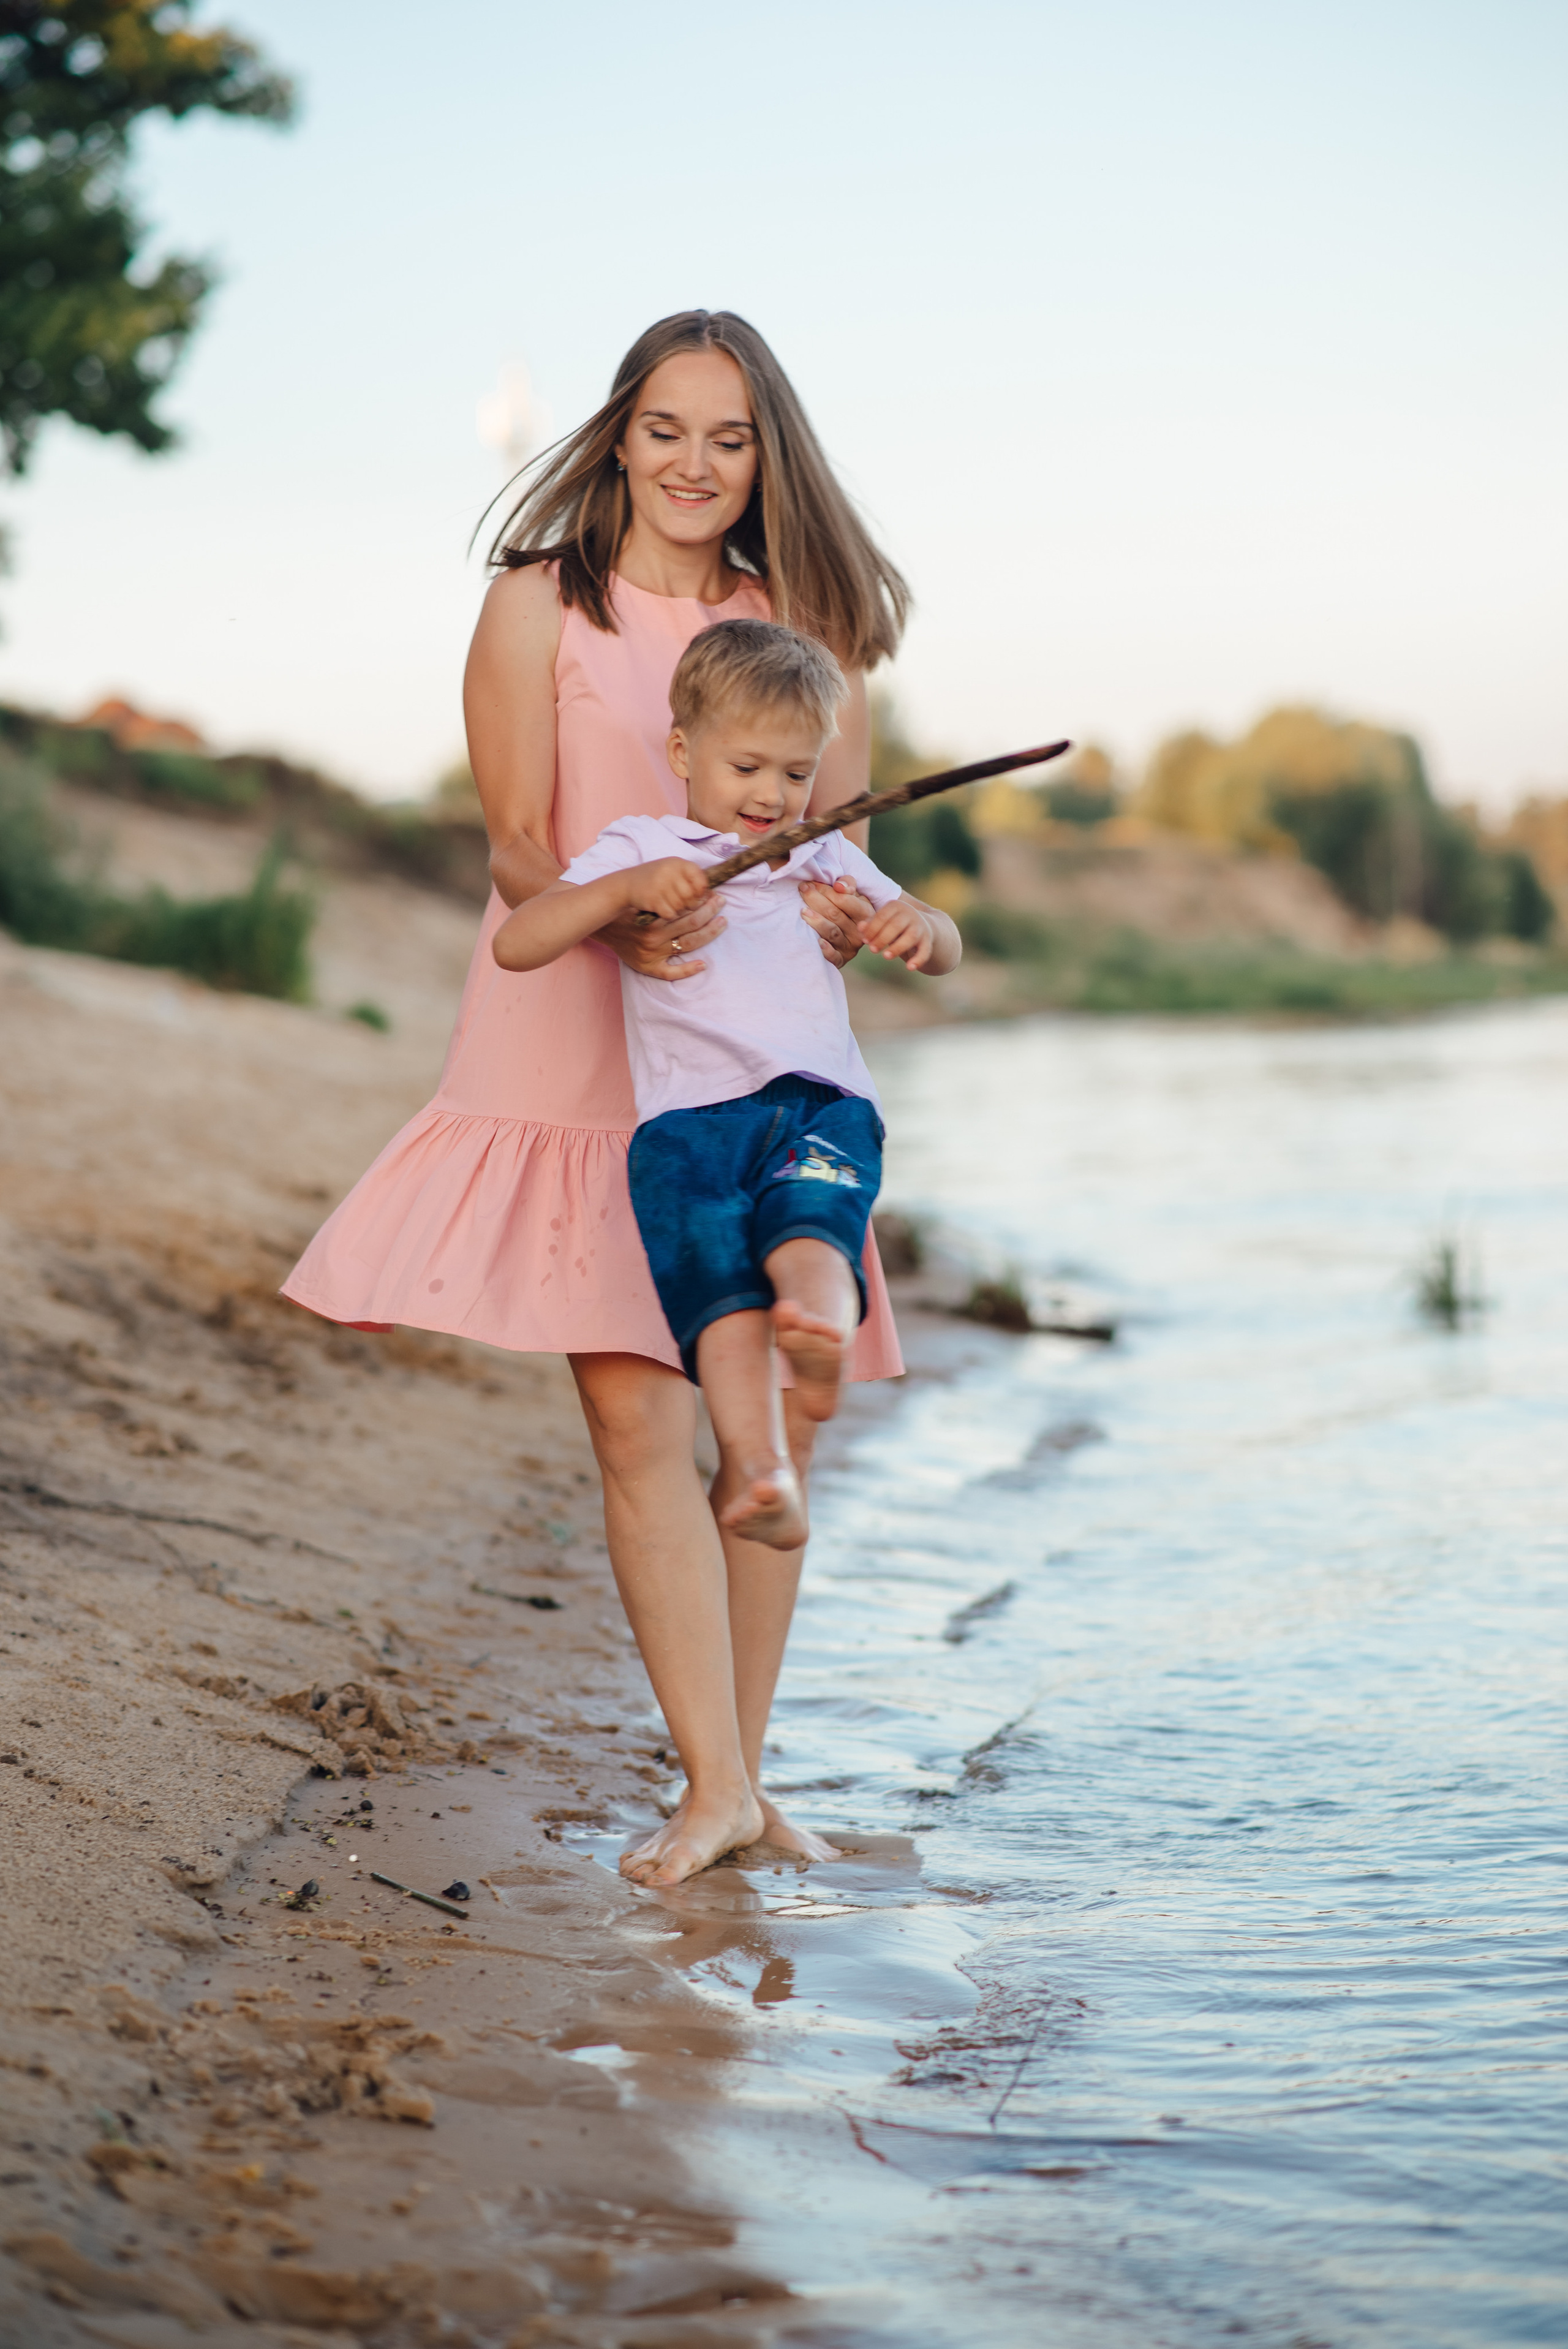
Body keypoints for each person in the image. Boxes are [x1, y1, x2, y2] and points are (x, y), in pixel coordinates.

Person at [281, 309, 959, 1886]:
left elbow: (812, 841)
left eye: (730, 438)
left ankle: (745, 1771)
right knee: (630, 1412)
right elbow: (517, 839)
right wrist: (631, 904)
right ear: (619, 432)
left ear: (764, 453)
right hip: (577, 1018)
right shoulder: (538, 606)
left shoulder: (799, 629)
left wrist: (859, 915)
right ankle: (712, 1782)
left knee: (782, 1399)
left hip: (748, 1050)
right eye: (667, 430)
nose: (695, 466)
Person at [493, 618, 956, 1565]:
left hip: (819, 1100)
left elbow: (945, 942)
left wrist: (917, 922)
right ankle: (760, 1469)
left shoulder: (821, 853)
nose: (772, 795)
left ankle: (823, 1324)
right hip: (688, 1126)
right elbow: (520, 940)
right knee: (722, 1301)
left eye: (796, 773)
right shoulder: (641, 841)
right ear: (681, 750)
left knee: (814, 1225)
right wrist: (622, 890)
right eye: (748, 767)